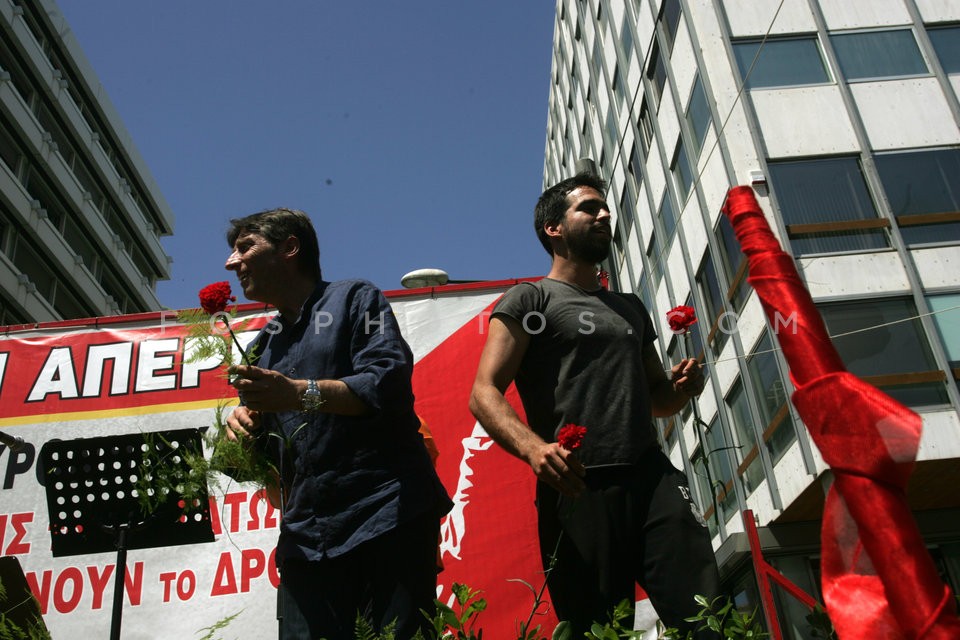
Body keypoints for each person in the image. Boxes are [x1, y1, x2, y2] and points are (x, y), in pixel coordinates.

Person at [469, 174, 721, 637]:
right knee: (598, 630)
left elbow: (660, 402)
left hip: (651, 478)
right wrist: (533, 449)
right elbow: (483, 392)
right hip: (578, 486)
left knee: (706, 616)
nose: (605, 214)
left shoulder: (630, 307)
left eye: (606, 208)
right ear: (554, 228)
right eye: (589, 208)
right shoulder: (530, 299)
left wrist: (682, 387)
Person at [221, 207, 452, 640]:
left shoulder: (354, 299)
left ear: (291, 247)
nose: (232, 263)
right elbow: (259, 463)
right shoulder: (259, 348)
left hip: (386, 516)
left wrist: (297, 393)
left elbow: (386, 384)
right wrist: (239, 431)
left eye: (245, 248)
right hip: (306, 539)